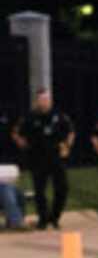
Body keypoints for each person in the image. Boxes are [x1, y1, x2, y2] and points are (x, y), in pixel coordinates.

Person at [12, 88, 74, 230]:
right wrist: (21, 143)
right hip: (37, 158)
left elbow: (70, 131)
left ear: (50, 100)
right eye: (40, 100)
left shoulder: (59, 115)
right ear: (37, 101)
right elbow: (16, 132)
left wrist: (67, 146)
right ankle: (43, 219)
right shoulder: (30, 116)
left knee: (62, 188)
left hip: (56, 158)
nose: (43, 102)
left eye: (45, 99)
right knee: (39, 191)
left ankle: (55, 217)